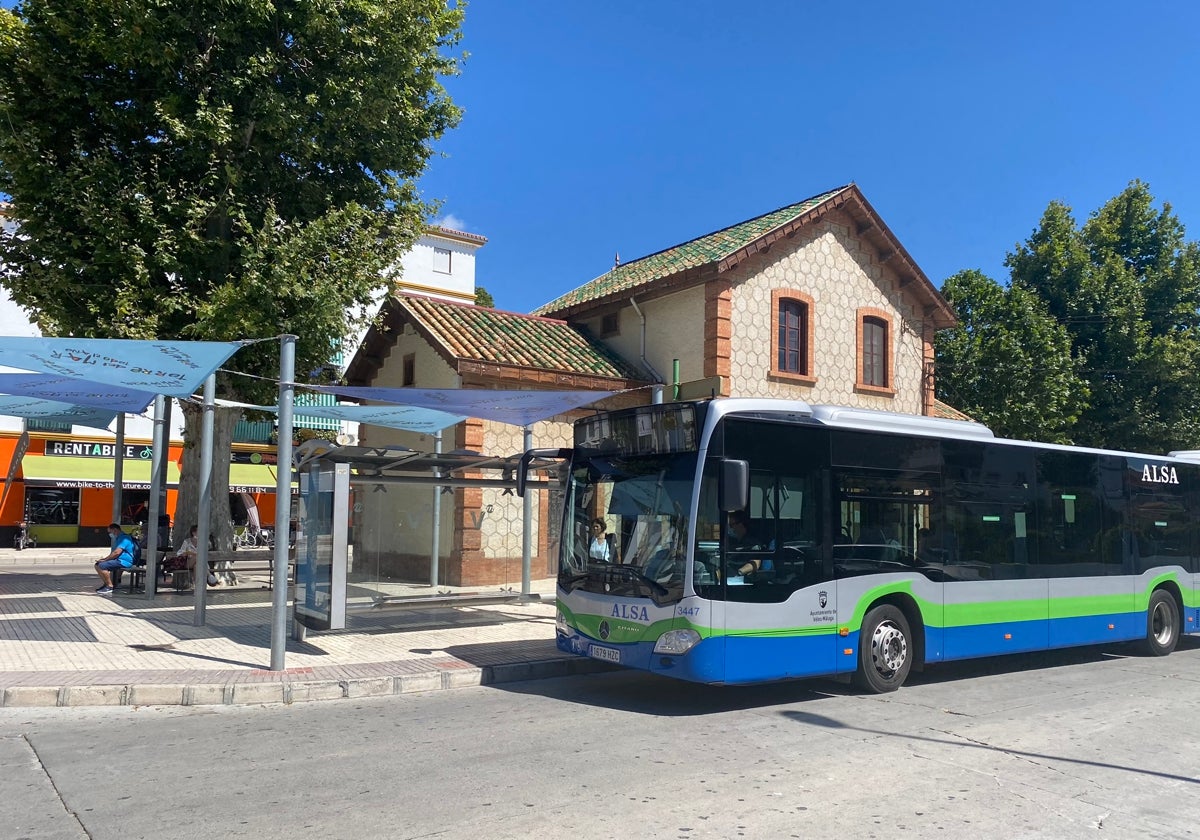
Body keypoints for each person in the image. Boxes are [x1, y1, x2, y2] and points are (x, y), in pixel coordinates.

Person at [94, 523, 137, 595]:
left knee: (101, 566)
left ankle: (109, 587)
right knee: (97, 565)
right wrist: (105, 559)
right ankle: (106, 584)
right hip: (120, 560)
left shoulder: (124, 538)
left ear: (115, 530)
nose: (110, 534)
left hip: (125, 562)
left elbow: (117, 552)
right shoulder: (120, 538)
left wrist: (105, 560)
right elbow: (114, 553)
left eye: (110, 532)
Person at [727, 510, 773, 577]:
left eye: (731, 525)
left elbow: (755, 563)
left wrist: (738, 573)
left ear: (740, 524)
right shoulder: (733, 542)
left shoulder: (752, 543)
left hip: (739, 581)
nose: (730, 529)